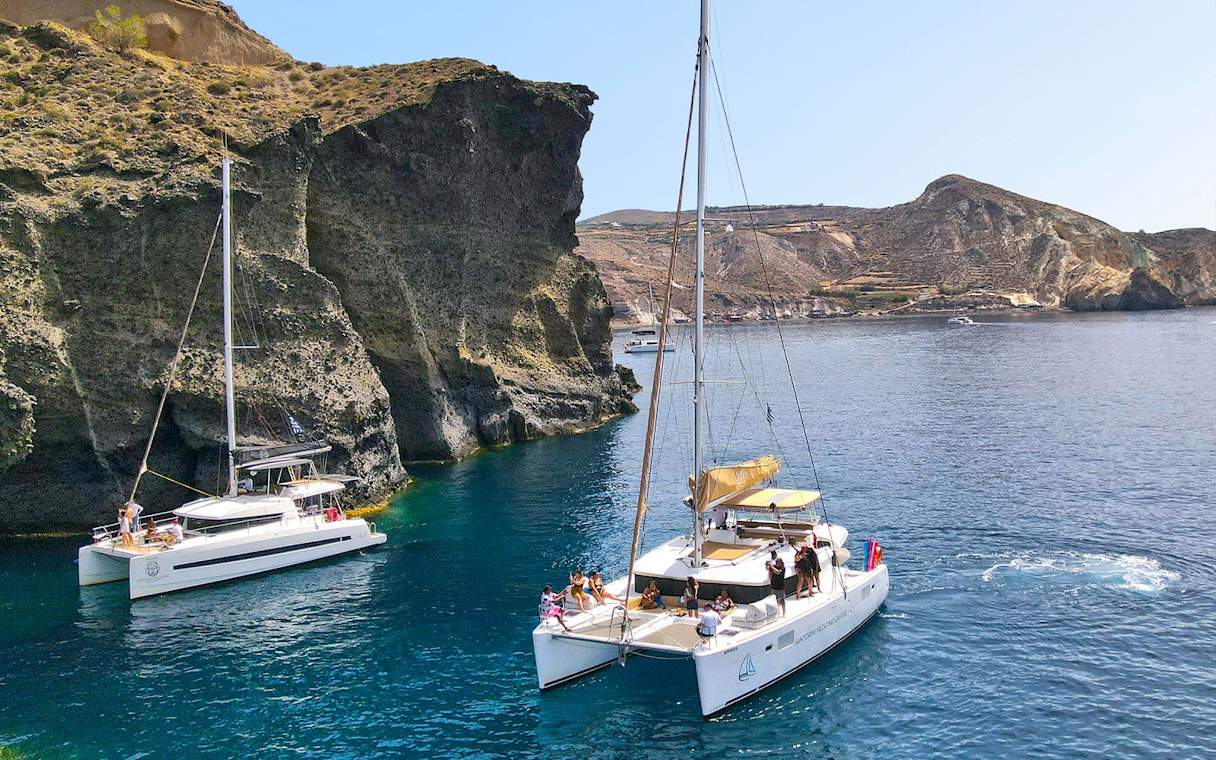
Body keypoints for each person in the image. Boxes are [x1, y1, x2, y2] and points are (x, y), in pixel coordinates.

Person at [766, 550, 787, 614]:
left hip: (780, 587)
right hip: (774, 586)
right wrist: (767, 565)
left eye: (778, 562)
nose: (777, 563)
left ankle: (784, 612)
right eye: (777, 562)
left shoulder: (782, 568)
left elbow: (777, 572)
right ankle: (777, 612)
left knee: (782, 601)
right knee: (775, 601)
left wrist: (771, 566)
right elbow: (769, 570)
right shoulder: (774, 567)